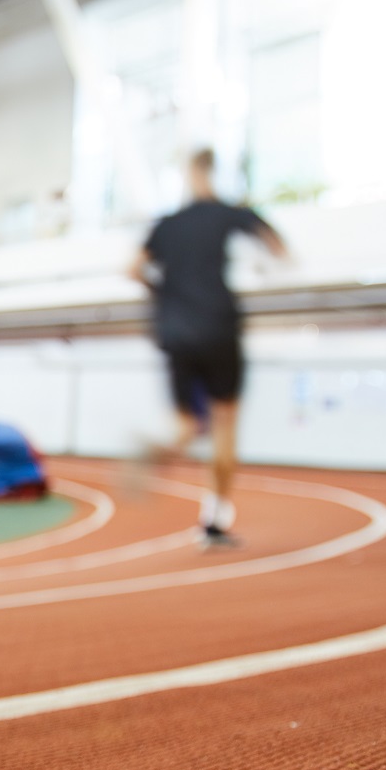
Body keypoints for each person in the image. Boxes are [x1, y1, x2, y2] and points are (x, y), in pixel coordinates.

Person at [127, 148, 287, 548]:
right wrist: (269, 269)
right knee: (225, 425)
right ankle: (215, 518)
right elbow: (278, 247)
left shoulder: (166, 224)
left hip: (176, 330)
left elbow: (132, 269)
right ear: (213, 172)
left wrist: (164, 294)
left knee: (185, 425)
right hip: (218, 325)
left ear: (186, 175)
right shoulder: (229, 213)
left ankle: (160, 448)